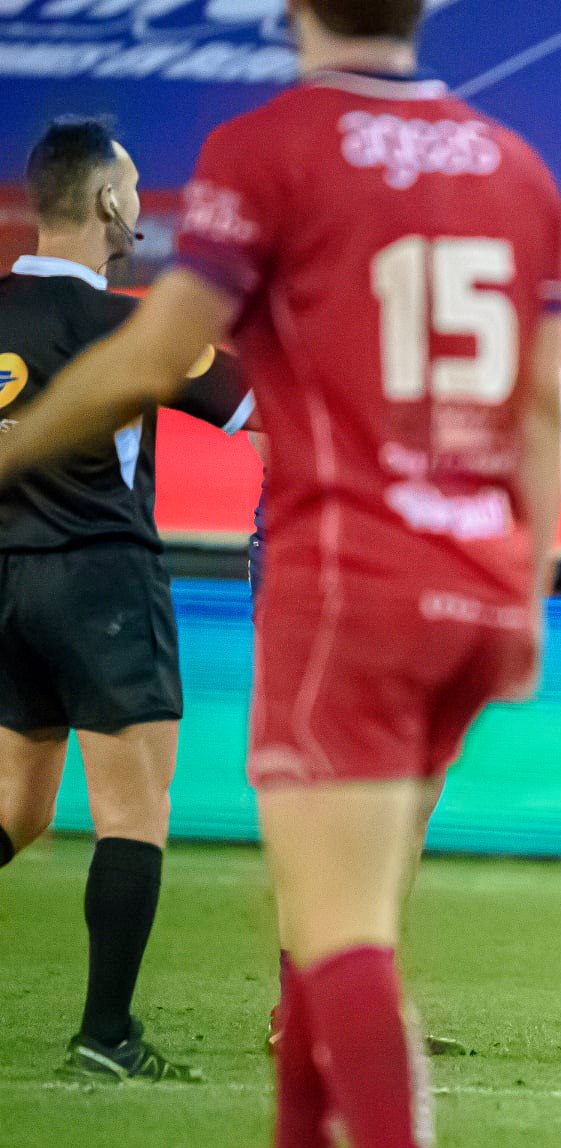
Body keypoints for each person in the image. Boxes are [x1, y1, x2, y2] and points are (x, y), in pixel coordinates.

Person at [0, 2, 561, 1148]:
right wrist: (524, 598)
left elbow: (155, 354)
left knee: (337, 928)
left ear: (295, 11)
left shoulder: (269, 149)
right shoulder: (519, 167)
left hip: (345, 581)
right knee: (344, 909)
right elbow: (540, 415)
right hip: (473, 586)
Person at [0, 116, 254, 1082]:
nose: (141, 202)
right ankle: (106, 1034)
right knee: (131, 812)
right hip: (103, 578)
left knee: (16, 813)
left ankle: (107, 1032)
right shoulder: (134, 325)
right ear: (108, 201)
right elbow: (256, 410)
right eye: (136, 185)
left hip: (4, 582)